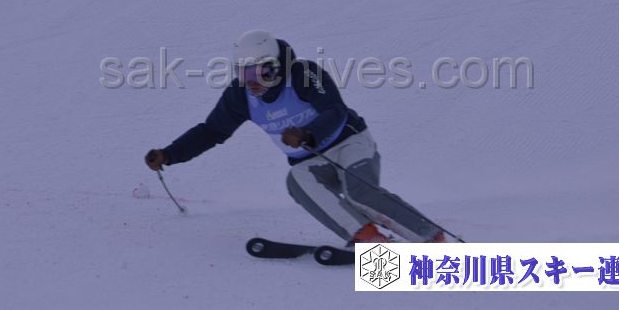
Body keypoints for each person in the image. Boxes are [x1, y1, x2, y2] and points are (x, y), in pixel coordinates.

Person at [145, 30, 445, 244]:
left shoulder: (303, 74)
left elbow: (335, 110)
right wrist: (171, 154)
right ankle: (368, 239)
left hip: (350, 143)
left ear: (276, 66)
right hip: (309, 160)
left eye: (260, 73)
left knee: (359, 193)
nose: (252, 83)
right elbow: (212, 131)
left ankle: (431, 239)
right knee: (296, 182)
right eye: (244, 74)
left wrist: (307, 134)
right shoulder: (240, 95)